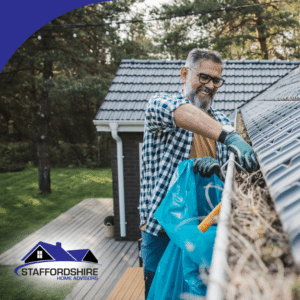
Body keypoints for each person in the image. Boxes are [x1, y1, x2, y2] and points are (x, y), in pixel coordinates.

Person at [139, 48, 258, 298]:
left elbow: (227, 185)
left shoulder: (222, 123)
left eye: (216, 80)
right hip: (161, 232)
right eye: (203, 77)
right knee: (159, 292)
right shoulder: (160, 106)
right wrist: (230, 137)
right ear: (184, 74)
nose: (210, 85)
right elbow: (180, 111)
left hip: (201, 233)